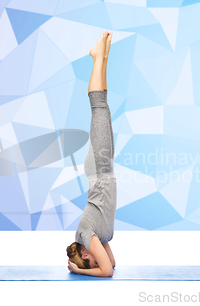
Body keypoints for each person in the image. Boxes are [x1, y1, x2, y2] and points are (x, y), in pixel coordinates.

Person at [66, 31, 116, 277]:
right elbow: (112, 264)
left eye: (91, 262)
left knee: (99, 108)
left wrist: (79, 271)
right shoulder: (100, 237)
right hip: (105, 169)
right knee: (103, 108)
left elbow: (106, 271)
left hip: (99, 167)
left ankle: (97, 57)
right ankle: (103, 57)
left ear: (85, 254)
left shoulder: (86, 234)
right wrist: (96, 262)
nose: (99, 261)